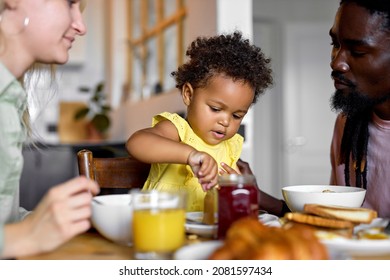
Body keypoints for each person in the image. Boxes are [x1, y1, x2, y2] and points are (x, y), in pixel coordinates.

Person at [232, 0, 390, 219]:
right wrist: (256, 196)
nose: (337, 63)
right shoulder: (349, 122)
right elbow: (334, 219)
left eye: (357, 51)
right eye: (335, 45)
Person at [126, 31, 273, 211]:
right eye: (216, 109)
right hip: (164, 227)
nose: (225, 121)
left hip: (207, 234)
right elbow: (137, 142)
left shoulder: (230, 147)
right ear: (188, 94)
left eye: (237, 116)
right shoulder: (177, 130)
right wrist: (191, 155)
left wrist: (236, 189)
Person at [0, 0, 99, 259]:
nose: (81, 26)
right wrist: (27, 234)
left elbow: (5, 218)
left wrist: (51, 222)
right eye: (69, 4)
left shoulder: (9, 102)